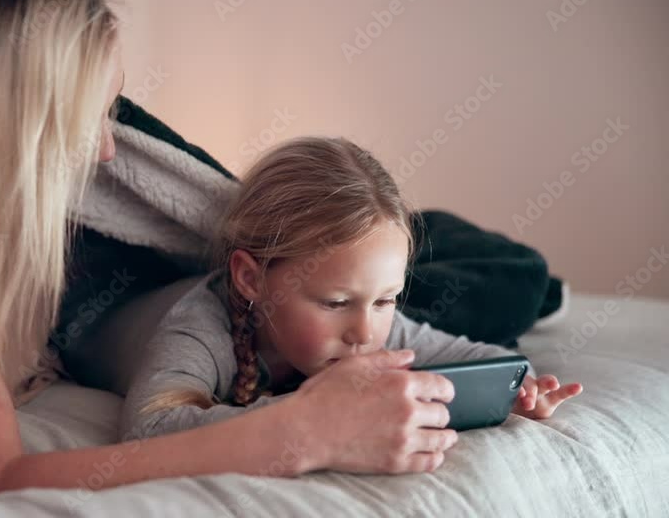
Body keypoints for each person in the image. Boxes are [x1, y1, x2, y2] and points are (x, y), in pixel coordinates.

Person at [0, 0, 470, 495]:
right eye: (85, 121)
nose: (106, 150)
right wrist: (305, 431)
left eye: (110, 112)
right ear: (3, 128)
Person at [119, 136, 584, 441]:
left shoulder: (371, 325)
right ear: (250, 279)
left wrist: (520, 391)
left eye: (385, 300)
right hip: (110, 300)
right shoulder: (200, 328)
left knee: (503, 284)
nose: (364, 332)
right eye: (336, 303)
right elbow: (150, 429)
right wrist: (316, 413)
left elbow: (485, 363)